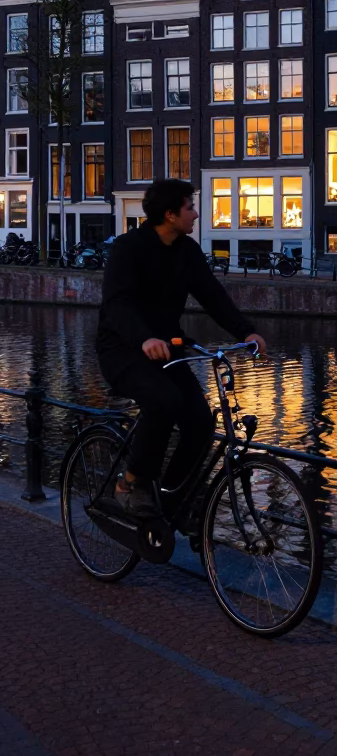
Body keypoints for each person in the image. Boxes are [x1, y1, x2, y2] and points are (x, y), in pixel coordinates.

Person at [96, 179, 266, 516]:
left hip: (167, 349)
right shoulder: (128, 248)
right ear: (170, 214)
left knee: (201, 424)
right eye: (190, 207)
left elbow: (213, 296)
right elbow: (117, 305)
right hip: (123, 350)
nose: (196, 214)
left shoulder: (187, 251)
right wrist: (143, 337)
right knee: (164, 400)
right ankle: (130, 482)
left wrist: (247, 332)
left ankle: (170, 500)